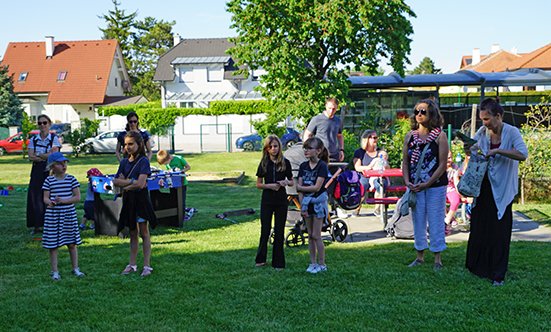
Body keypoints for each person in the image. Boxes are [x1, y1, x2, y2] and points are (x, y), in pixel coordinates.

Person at [464, 98, 527, 285]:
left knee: (498, 231)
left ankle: (497, 273)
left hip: (502, 188)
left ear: (498, 116)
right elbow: (474, 153)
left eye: (486, 119)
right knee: (480, 227)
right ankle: (477, 267)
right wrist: (468, 149)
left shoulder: (512, 132)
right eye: (482, 119)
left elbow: (522, 154)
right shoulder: (482, 132)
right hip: (483, 187)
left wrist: (498, 150)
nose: (484, 123)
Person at [402, 99, 449, 270]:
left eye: (423, 111)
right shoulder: (410, 136)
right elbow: (405, 163)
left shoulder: (440, 135)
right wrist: (408, 182)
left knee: (436, 220)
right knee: (418, 219)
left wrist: (428, 183)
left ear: (432, 114)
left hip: (435, 185)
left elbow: (443, 164)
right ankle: (419, 256)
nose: (419, 114)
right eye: (416, 111)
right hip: (415, 185)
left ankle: (438, 259)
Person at [114, 131, 159, 277]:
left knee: (144, 232)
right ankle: (132, 265)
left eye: (130, 144)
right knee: (133, 232)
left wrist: (126, 183)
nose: (127, 147)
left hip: (140, 200)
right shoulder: (124, 162)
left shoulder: (144, 161)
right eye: (126, 144)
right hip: (128, 201)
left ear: (139, 145)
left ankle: (147, 266)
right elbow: (115, 182)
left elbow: (141, 184)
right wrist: (132, 183)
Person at [42, 152, 84, 280]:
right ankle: (55, 272)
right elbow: (45, 198)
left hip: (68, 215)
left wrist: (62, 201)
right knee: (53, 244)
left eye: (64, 163)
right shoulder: (49, 180)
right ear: (52, 167)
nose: (64, 166)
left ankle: (75, 268)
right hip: (53, 216)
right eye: (60, 164)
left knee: (71, 243)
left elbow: (77, 197)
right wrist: (51, 203)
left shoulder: (71, 179)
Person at [254, 135, 294, 270]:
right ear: (266, 148)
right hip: (267, 200)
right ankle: (261, 258)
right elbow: (258, 184)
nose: (273, 149)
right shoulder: (264, 163)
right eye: (270, 147)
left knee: (279, 230)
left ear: (279, 147)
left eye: (275, 146)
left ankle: (278, 262)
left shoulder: (285, 162)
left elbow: (292, 180)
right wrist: (270, 186)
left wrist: (286, 182)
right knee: (265, 230)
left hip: (281, 200)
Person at [297, 137, 330, 274]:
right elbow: (299, 189)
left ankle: (322, 264)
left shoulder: (322, 166)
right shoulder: (303, 166)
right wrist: (302, 206)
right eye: (305, 148)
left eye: (309, 148)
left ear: (318, 151)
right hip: (306, 204)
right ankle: (313, 263)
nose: (306, 151)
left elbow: (317, 188)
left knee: (317, 234)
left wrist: (303, 187)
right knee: (310, 234)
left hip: (318, 203)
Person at [27, 114, 61, 235]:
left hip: (50, 171)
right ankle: (36, 226)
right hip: (36, 171)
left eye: (44, 123)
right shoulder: (33, 139)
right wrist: (45, 155)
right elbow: (30, 157)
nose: (42, 125)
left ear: (49, 124)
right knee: (35, 197)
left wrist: (37, 154)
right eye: (40, 123)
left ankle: (51, 224)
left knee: (51, 196)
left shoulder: (54, 138)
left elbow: (53, 156)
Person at [353, 130, 389, 217]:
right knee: (362, 184)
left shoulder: (380, 153)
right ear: (367, 139)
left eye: (377, 137)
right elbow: (357, 167)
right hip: (364, 175)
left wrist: (384, 162)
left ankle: (377, 208)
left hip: (377, 176)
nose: (376, 139)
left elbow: (387, 167)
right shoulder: (360, 152)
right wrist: (369, 167)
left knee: (382, 184)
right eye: (374, 138)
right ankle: (357, 207)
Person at [304, 97, 344, 162]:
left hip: (333, 155)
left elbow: (339, 136)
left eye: (333, 109)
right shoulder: (316, 119)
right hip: (319, 155)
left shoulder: (338, 121)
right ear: (326, 106)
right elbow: (307, 134)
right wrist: (309, 149)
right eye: (329, 108)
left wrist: (341, 150)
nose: (331, 111)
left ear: (337, 108)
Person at [157, 150, 192, 221]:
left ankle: (182, 216)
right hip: (172, 184)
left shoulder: (179, 158)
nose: (165, 164)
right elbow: (169, 170)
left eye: (165, 163)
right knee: (174, 199)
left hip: (182, 183)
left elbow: (188, 167)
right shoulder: (167, 162)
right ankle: (175, 215)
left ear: (169, 158)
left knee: (181, 200)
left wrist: (181, 171)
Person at [445, 151, 461, 234]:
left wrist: (460, 193)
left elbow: (456, 182)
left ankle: (447, 220)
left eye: (451, 157)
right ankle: (448, 218)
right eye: (448, 158)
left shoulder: (454, 167)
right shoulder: (439, 166)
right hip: (441, 188)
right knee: (440, 200)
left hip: (450, 188)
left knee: (456, 201)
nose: (450, 160)